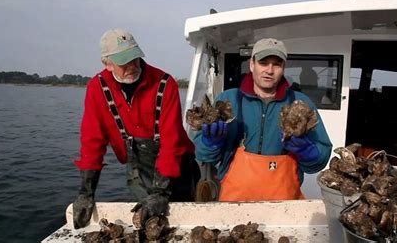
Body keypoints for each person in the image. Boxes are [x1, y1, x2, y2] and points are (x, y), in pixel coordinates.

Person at [72, 29, 198, 229]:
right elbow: (91, 141)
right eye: (124, 61)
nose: (132, 66)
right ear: (107, 63)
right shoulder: (97, 88)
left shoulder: (165, 84)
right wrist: (86, 192)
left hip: (177, 167)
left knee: (183, 224)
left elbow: (171, 141)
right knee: (145, 224)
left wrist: (161, 192)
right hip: (138, 169)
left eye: (135, 58)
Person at [193, 38, 332, 201]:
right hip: (234, 202)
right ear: (252, 64)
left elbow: (320, 160)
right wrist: (211, 143)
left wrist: (307, 151)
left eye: (277, 64)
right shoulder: (228, 99)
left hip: (284, 202)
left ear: (283, 68)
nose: (269, 70)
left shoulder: (301, 103)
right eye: (263, 63)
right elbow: (203, 155)